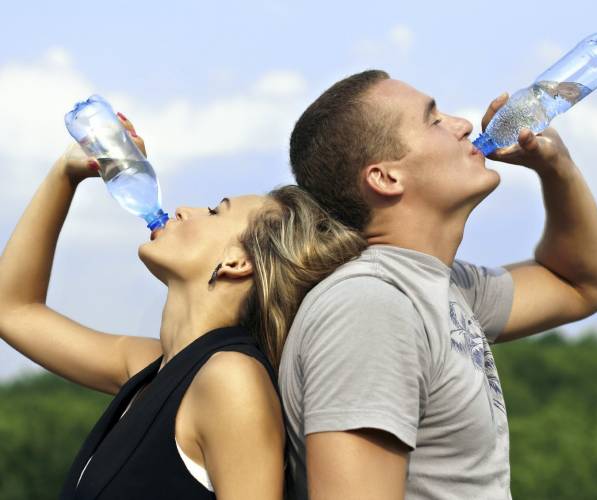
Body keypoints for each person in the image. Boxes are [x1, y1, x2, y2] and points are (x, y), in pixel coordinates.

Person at [0, 114, 366, 499]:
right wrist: (66, 174)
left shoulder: (231, 380)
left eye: (214, 211)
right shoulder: (152, 368)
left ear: (236, 263)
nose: (184, 209)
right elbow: (12, 310)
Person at [278, 69, 597, 499]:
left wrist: (556, 168)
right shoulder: (370, 306)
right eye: (434, 120)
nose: (464, 124)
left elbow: (582, 283)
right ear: (385, 178)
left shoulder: (442, 286)